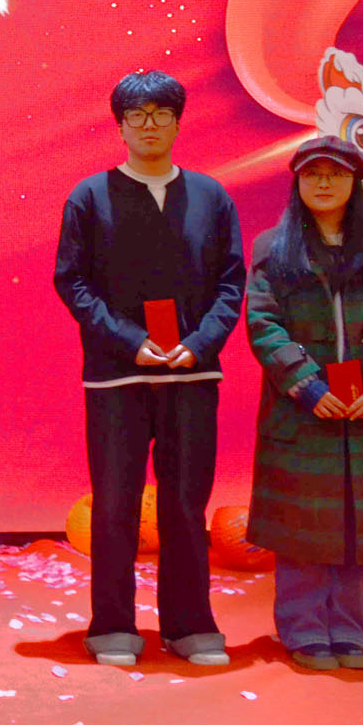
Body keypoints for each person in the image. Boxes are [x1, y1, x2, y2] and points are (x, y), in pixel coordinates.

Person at [53, 70, 243, 667]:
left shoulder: (211, 196)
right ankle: (112, 624)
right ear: (120, 127)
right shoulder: (90, 196)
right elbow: (72, 282)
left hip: (192, 375)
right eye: (137, 116)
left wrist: (201, 343)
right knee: (115, 504)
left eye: (162, 114)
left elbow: (231, 282)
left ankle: (189, 625)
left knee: (186, 503)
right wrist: (129, 341)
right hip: (118, 376)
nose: (150, 125)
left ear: (179, 123)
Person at [244, 136, 363, 672]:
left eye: (336, 174)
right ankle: (303, 630)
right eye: (312, 174)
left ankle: (348, 631)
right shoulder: (273, 249)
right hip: (302, 413)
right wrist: (306, 385)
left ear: (355, 182)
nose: (323, 183)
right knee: (303, 528)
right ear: (298, 183)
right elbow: (263, 323)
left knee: (355, 527)